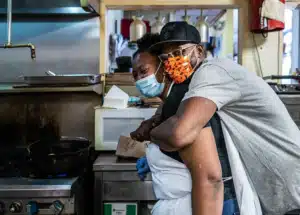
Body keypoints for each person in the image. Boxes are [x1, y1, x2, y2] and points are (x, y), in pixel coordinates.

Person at [146, 21, 300, 215]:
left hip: (291, 182)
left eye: (179, 53)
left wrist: (151, 133)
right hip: (272, 182)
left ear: (200, 51)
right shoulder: (195, 83)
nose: (172, 61)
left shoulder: (211, 73)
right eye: (166, 57)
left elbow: (180, 134)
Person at [131, 33, 238, 215]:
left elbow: (210, 177)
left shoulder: (186, 101)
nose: (139, 80)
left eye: (143, 71)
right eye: (135, 75)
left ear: (163, 67)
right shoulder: (169, 102)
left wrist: (154, 135)